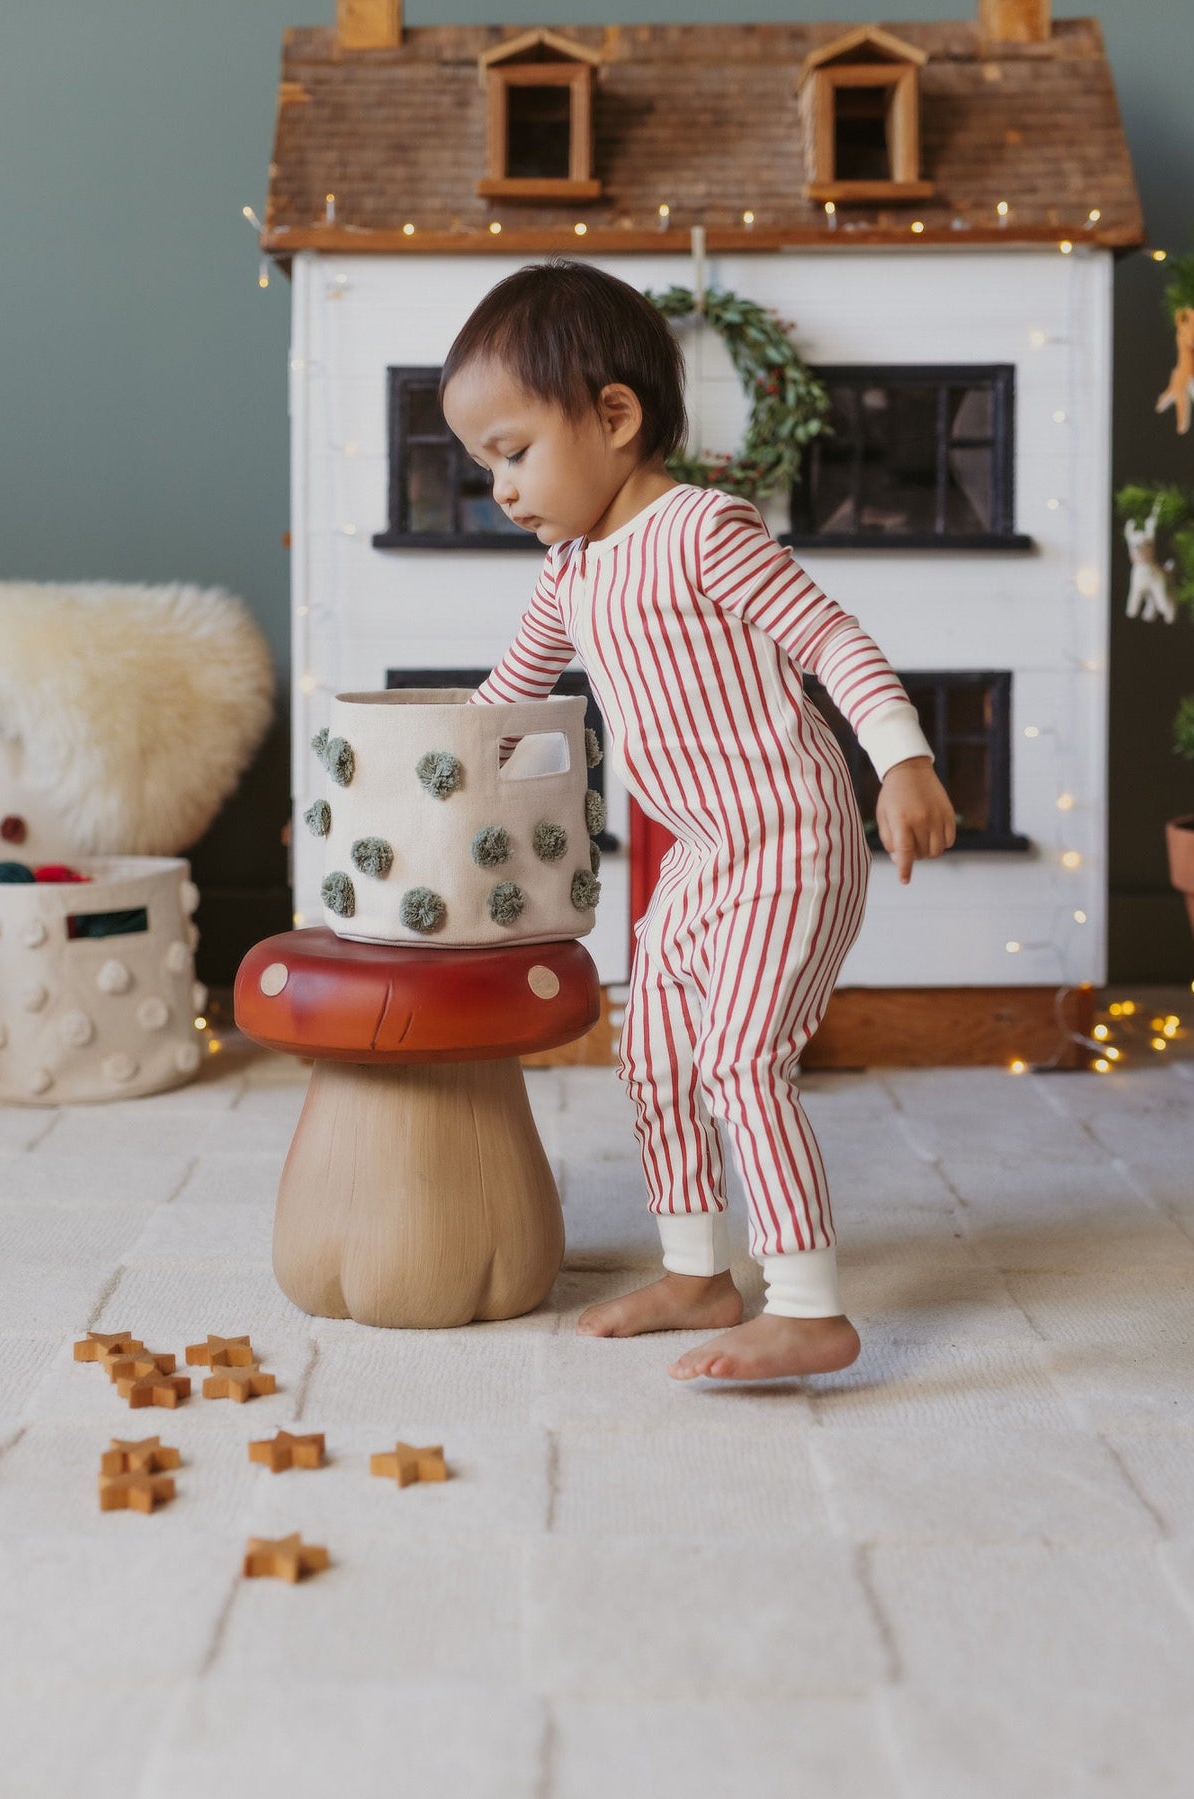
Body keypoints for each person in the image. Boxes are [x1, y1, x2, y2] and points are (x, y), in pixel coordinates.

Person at [440, 260, 956, 1382]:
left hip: (792, 833)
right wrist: (421, 776)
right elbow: (505, 703)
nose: (502, 490)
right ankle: (696, 1271)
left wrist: (903, 760)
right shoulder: (570, 573)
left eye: (513, 452)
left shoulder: (704, 530)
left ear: (615, 417)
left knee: (740, 1056)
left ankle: (809, 1303)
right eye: (485, 466)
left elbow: (831, 639)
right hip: (704, 855)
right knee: (656, 1054)